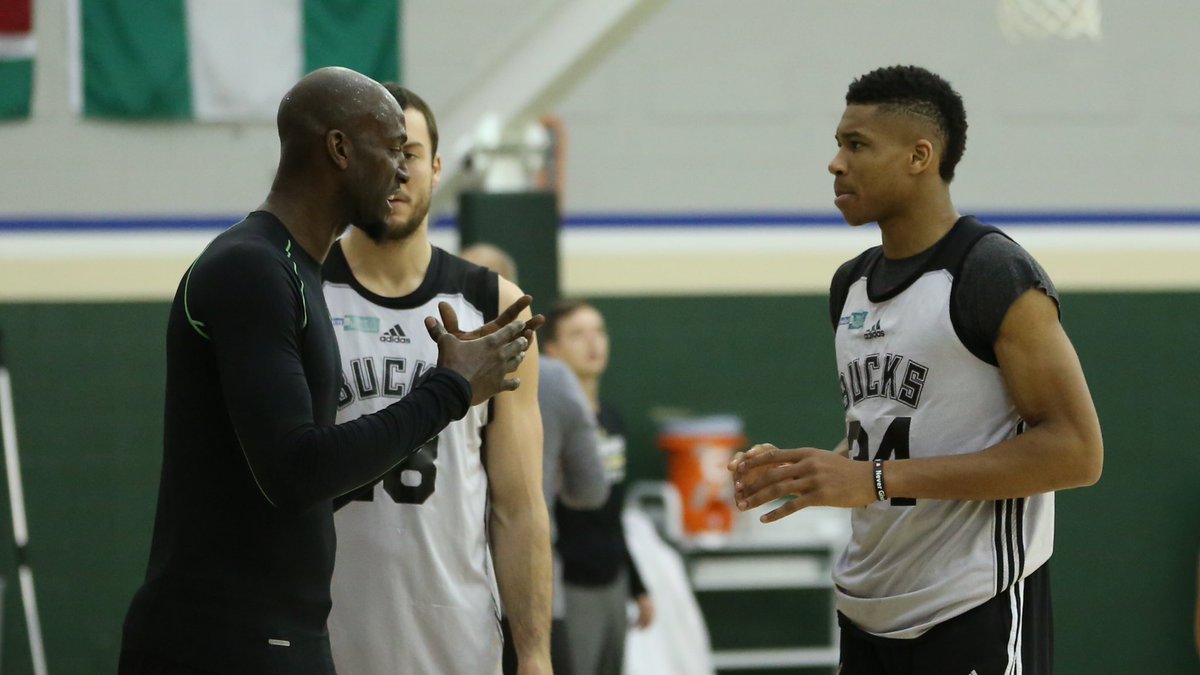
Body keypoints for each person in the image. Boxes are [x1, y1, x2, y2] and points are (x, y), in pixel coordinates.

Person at [119, 67, 540, 675]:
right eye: (392, 151)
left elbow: (315, 477)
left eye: (412, 155)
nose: (401, 172)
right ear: (340, 149)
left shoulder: (294, 271)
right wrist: (450, 387)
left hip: (284, 631)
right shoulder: (251, 268)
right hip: (224, 638)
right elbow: (296, 469)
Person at [731, 65, 1103, 675]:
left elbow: (1077, 454)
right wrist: (814, 471)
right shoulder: (850, 284)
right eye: (837, 145)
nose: (835, 164)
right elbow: (893, 433)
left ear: (919, 156)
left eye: (856, 145)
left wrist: (873, 478)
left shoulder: (991, 272)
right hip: (867, 608)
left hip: (971, 604)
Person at [322, 85, 551, 675]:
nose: (396, 171)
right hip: (325, 634)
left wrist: (534, 654)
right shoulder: (300, 292)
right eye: (379, 153)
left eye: (411, 153)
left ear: (437, 168)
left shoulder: (494, 305)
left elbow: (519, 506)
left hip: (456, 639)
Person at [461, 243, 611, 675]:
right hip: (531, 594)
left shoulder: (426, 364)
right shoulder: (556, 378)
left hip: (446, 586)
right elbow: (591, 489)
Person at [542, 300, 654, 675]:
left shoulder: (611, 416)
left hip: (613, 580)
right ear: (552, 350)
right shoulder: (546, 421)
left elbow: (614, 512)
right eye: (578, 334)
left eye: (599, 331)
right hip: (570, 582)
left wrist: (636, 584)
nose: (593, 343)